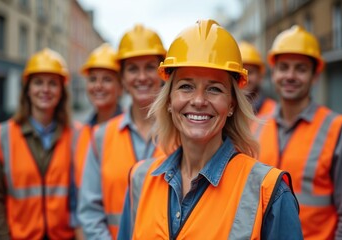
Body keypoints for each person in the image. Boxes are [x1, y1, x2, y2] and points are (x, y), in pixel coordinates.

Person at [118, 19, 303, 239]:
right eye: (186, 86)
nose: (198, 100)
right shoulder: (140, 179)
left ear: (232, 104)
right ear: (169, 100)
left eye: (214, 89)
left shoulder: (268, 191)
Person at [257, 25, 342, 239]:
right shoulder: (255, 127)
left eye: (300, 69)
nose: (290, 76)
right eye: (284, 67)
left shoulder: (340, 131)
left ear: (315, 76)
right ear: (274, 73)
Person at [77, 24, 166, 239]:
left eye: (150, 67)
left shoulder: (184, 133)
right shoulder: (102, 136)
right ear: (123, 78)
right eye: (133, 69)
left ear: (163, 72)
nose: (142, 77)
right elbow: (90, 211)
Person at [0, 48, 74, 239]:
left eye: (53, 83)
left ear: (62, 90)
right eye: (38, 82)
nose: (45, 89)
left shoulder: (76, 135)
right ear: (27, 89)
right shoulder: (2, 135)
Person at [70, 43, 123, 239]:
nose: (98, 86)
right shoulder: (79, 133)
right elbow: (75, 191)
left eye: (107, 79)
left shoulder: (132, 133)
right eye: (93, 79)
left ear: (120, 86)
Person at [239, 41, 276, 117]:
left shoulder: (274, 110)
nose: (245, 79)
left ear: (260, 76)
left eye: (250, 72)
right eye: (240, 73)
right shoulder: (224, 109)